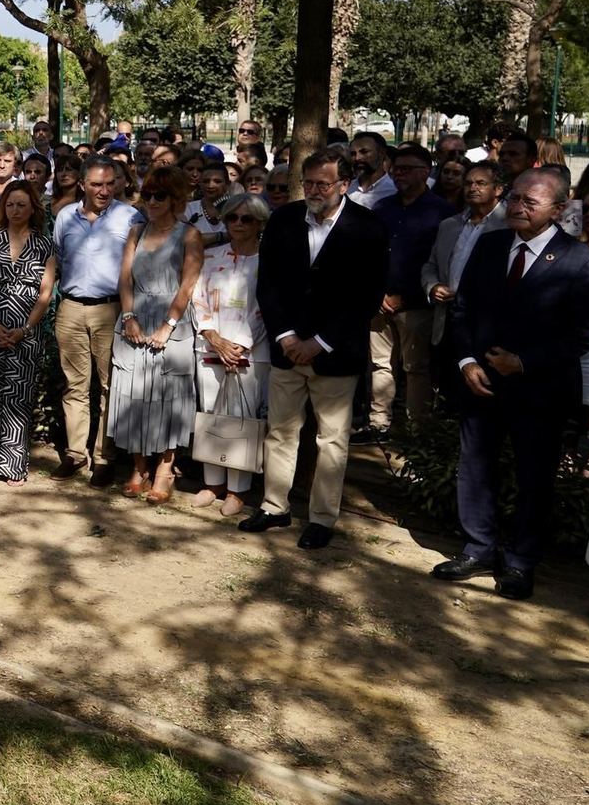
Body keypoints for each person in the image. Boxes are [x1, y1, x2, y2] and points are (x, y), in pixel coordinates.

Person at [435, 169, 589, 599]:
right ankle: (479, 547)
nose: (518, 207)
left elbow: (580, 335)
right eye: (514, 199)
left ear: (560, 210)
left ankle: (522, 560)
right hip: (481, 383)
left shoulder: (581, 261)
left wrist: (523, 362)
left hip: (540, 390)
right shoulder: (490, 245)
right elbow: (463, 309)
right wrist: (468, 362)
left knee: (534, 477)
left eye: (531, 202)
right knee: (475, 467)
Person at [244, 148, 390, 548]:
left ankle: (322, 519)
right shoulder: (283, 219)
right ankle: (274, 507)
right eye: (308, 182)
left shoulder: (369, 227)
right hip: (286, 349)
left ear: (344, 185)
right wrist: (287, 337)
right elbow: (268, 284)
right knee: (280, 433)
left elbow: (366, 296)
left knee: (332, 440)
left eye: (322, 184)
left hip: (336, 353)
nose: (313, 190)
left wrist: (320, 342)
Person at [109, 165, 204, 503]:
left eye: (159, 195)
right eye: (147, 194)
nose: (151, 200)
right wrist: (129, 316)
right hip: (134, 319)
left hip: (172, 323)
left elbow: (188, 284)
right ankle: (139, 467)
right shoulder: (136, 231)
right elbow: (125, 279)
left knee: (169, 395)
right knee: (133, 392)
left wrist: (169, 325)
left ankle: (165, 470)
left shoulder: (189, 234)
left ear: (176, 198)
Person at [51, 156, 144, 486]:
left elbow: (138, 264)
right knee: (74, 385)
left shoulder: (130, 216)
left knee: (109, 386)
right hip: (72, 307)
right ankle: (76, 454)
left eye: (109, 183)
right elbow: (59, 258)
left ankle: (104, 457)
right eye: (96, 184)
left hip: (112, 309)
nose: (103, 190)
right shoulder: (65, 216)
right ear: (82, 185)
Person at [356, 144, 452, 442]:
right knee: (380, 365)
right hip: (379, 302)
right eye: (396, 168)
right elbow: (369, 255)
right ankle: (378, 424)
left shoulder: (442, 212)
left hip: (417, 305)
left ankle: (416, 430)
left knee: (415, 369)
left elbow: (439, 263)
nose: (400, 174)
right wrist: (378, 294)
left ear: (426, 172)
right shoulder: (383, 207)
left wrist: (404, 297)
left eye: (408, 168)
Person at [0, 179, 57, 483]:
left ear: (33, 207)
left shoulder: (45, 244)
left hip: (26, 331)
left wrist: (25, 328)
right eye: (10, 204)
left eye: (21, 204)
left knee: (19, 397)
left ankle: (13, 464)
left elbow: (46, 292)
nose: (15, 209)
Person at [190, 191, 269, 516]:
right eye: (232, 217)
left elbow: (267, 306)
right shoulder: (211, 257)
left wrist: (240, 346)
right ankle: (212, 483)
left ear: (259, 223)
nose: (237, 224)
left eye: (246, 218)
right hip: (211, 347)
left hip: (250, 351)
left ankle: (238, 490)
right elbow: (198, 297)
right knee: (211, 412)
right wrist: (214, 338)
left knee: (243, 417)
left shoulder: (269, 260)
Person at [421, 161, 505, 396]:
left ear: (498, 189)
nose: (472, 188)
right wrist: (433, 286)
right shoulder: (450, 224)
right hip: (446, 318)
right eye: (468, 183)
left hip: (485, 325)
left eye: (481, 183)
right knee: (443, 388)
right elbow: (430, 265)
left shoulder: (510, 225)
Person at [185, 162, 232, 249]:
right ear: (199, 183)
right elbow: (182, 241)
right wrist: (221, 236)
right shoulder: (187, 209)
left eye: (217, 181)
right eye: (206, 181)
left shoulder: (236, 209)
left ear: (228, 184)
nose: (210, 186)